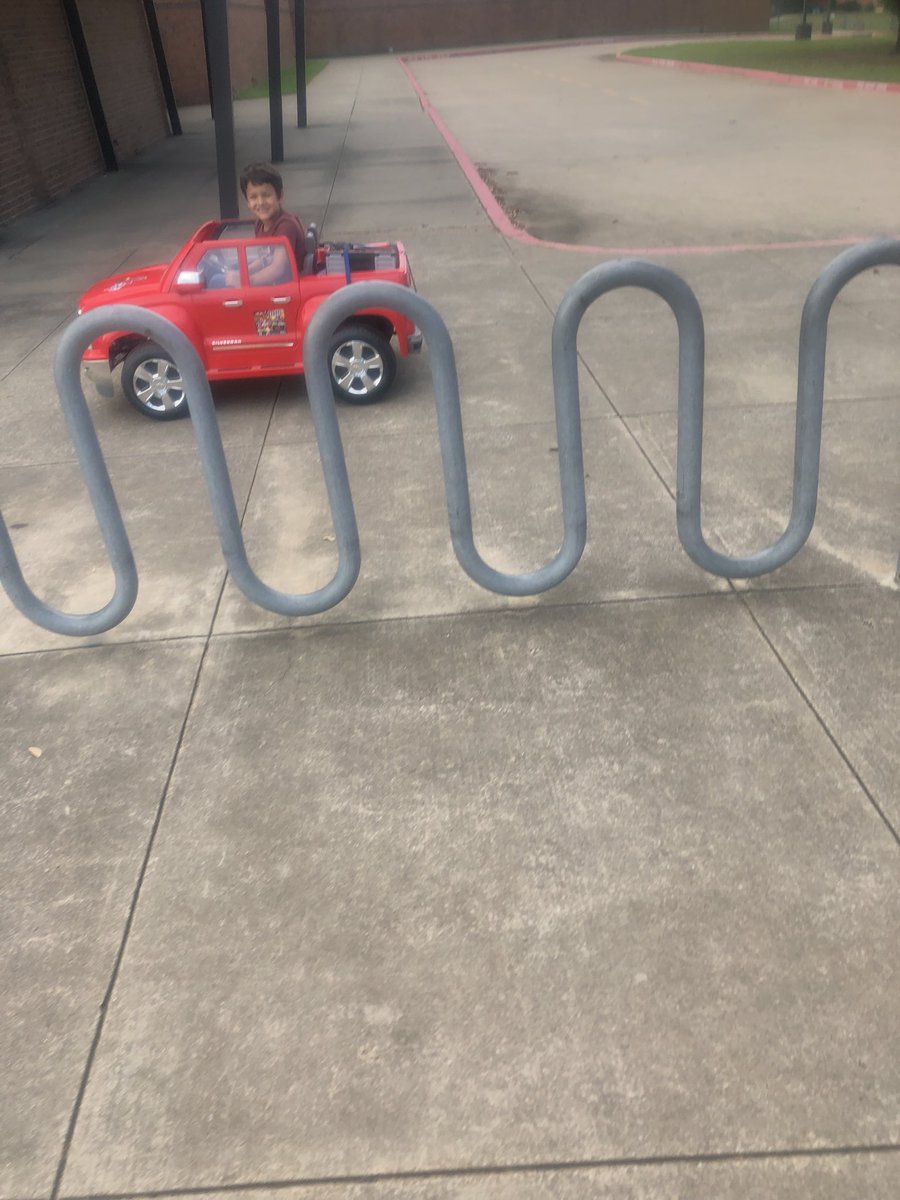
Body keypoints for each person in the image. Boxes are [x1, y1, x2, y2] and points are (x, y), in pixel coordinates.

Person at [222, 162, 307, 287]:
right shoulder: (259, 225)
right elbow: (265, 259)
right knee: (222, 277)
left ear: (280, 196)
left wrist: (245, 281)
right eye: (253, 197)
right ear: (247, 202)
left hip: (285, 288)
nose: (260, 202)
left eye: (266, 195)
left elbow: (277, 269)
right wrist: (243, 272)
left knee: (216, 282)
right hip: (273, 284)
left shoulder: (286, 226)